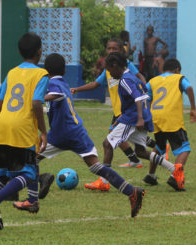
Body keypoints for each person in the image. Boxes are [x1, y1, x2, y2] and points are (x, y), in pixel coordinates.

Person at [14, 53, 145, 218]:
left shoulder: (52, 83)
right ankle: (132, 191)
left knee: (30, 160)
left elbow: (56, 96)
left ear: (45, 70)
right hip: (76, 132)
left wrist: (37, 99)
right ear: (64, 70)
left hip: (61, 134)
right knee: (96, 167)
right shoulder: (61, 81)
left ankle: (34, 197)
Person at [0, 32, 49, 231]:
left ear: (19, 51)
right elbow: (36, 103)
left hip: (3, 125)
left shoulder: (12, 72)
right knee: (29, 172)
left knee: (2, 175)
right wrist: (43, 131)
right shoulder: (41, 74)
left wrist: (2, 121)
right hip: (22, 128)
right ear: (40, 51)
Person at [71, 38, 154, 192]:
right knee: (118, 138)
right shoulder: (109, 69)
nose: (111, 51)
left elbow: (140, 78)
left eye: (114, 49)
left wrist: (146, 94)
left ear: (121, 51)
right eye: (109, 49)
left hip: (129, 112)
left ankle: (106, 179)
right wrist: (77, 89)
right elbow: (96, 84)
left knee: (110, 140)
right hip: (120, 112)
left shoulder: (125, 66)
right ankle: (147, 152)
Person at [0, 90, 55, 229]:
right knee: (28, 172)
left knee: (3, 176)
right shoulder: (21, 94)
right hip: (16, 137)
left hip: (0, 139)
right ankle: (24, 199)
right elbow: (34, 105)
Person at [104, 52, 185, 192]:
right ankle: (174, 169)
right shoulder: (133, 77)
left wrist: (140, 118)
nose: (109, 74)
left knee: (107, 143)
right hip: (142, 117)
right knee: (141, 152)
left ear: (115, 66)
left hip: (134, 118)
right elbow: (144, 92)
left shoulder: (125, 79)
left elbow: (138, 98)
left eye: (109, 70)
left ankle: (103, 181)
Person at [143, 59, 196, 191]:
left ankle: (151, 175)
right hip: (172, 118)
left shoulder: (153, 80)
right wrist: (193, 109)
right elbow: (189, 87)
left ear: (163, 70)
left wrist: (146, 115)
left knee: (159, 147)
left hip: (156, 118)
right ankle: (175, 177)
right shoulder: (179, 78)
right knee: (185, 148)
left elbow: (145, 96)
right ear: (177, 70)